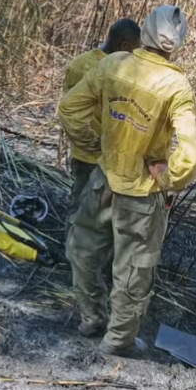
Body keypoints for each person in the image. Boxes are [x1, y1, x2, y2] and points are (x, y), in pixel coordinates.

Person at [58, 5, 196, 356]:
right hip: (141, 195)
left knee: (84, 252)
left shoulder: (110, 66)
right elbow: (190, 155)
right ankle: (118, 340)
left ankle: (92, 317)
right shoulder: (176, 85)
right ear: (175, 43)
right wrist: (167, 179)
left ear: (147, 32)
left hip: (102, 180)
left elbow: (69, 109)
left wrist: (96, 145)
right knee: (132, 270)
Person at [62, 19, 141, 231]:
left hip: (93, 152)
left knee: (87, 207)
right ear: (124, 46)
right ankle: (72, 255)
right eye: (135, 50)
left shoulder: (79, 63)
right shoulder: (105, 72)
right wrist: (93, 143)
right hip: (94, 154)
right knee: (83, 208)